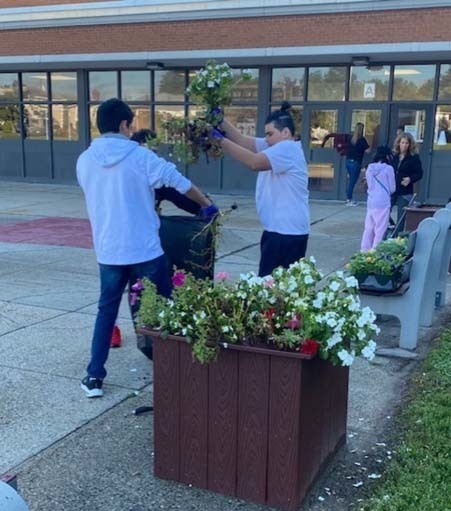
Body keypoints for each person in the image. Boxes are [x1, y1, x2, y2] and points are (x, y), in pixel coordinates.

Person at [76, 98, 217, 398]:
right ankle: (174, 369)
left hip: (109, 251)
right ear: (124, 125)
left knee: (106, 311)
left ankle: (94, 376)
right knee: (163, 309)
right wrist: (207, 205)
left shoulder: (84, 160)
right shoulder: (141, 157)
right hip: (145, 251)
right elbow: (180, 183)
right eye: (131, 124)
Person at [109, 127, 210, 349]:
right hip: (116, 238)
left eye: (154, 151)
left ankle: (154, 330)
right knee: (114, 287)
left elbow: (180, 196)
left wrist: (204, 206)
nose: (150, 156)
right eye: (147, 150)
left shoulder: (154, 177)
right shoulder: (122, 173)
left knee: (141, 286)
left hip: (142, 241)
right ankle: (112, 329)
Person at [210, 101, 310, 277]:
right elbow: (241, 140)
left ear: (286, 133)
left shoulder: (287, 148)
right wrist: (219, 119)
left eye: (270, 134)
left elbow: (254, 162)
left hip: (286, 234)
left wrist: (218, 140)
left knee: (272, 291)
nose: (267, 139)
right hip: (279, 231)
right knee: (272, 289)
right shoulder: (276, 145)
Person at [360, 145, 396, 251]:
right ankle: (375, 251)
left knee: (369, 227)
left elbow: (370, 185)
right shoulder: (389, 169)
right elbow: (392, 188)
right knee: (380, 228)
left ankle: (364, 250)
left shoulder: (369, 169)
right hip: (383, 201)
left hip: (371, 201)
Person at [391, 132, 423, 224]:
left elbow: (419, 173)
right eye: (402, 143)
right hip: (392, 188)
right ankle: (389, 229)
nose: (404, 145)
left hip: (405, 190)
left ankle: (398, 236)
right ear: (398, 143)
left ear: (410, 145)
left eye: (406, 143)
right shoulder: (394, 156)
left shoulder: (413, 157)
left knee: (401, 217)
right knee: (385, 212)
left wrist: (410, 179)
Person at [344, 122, 369, 206]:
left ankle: (348, 198)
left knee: (350, 180)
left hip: (348, 161)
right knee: (352, 181)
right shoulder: (362, 140)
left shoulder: (351, 139)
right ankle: (349, 199)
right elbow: (368, 150)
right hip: (355, 163)